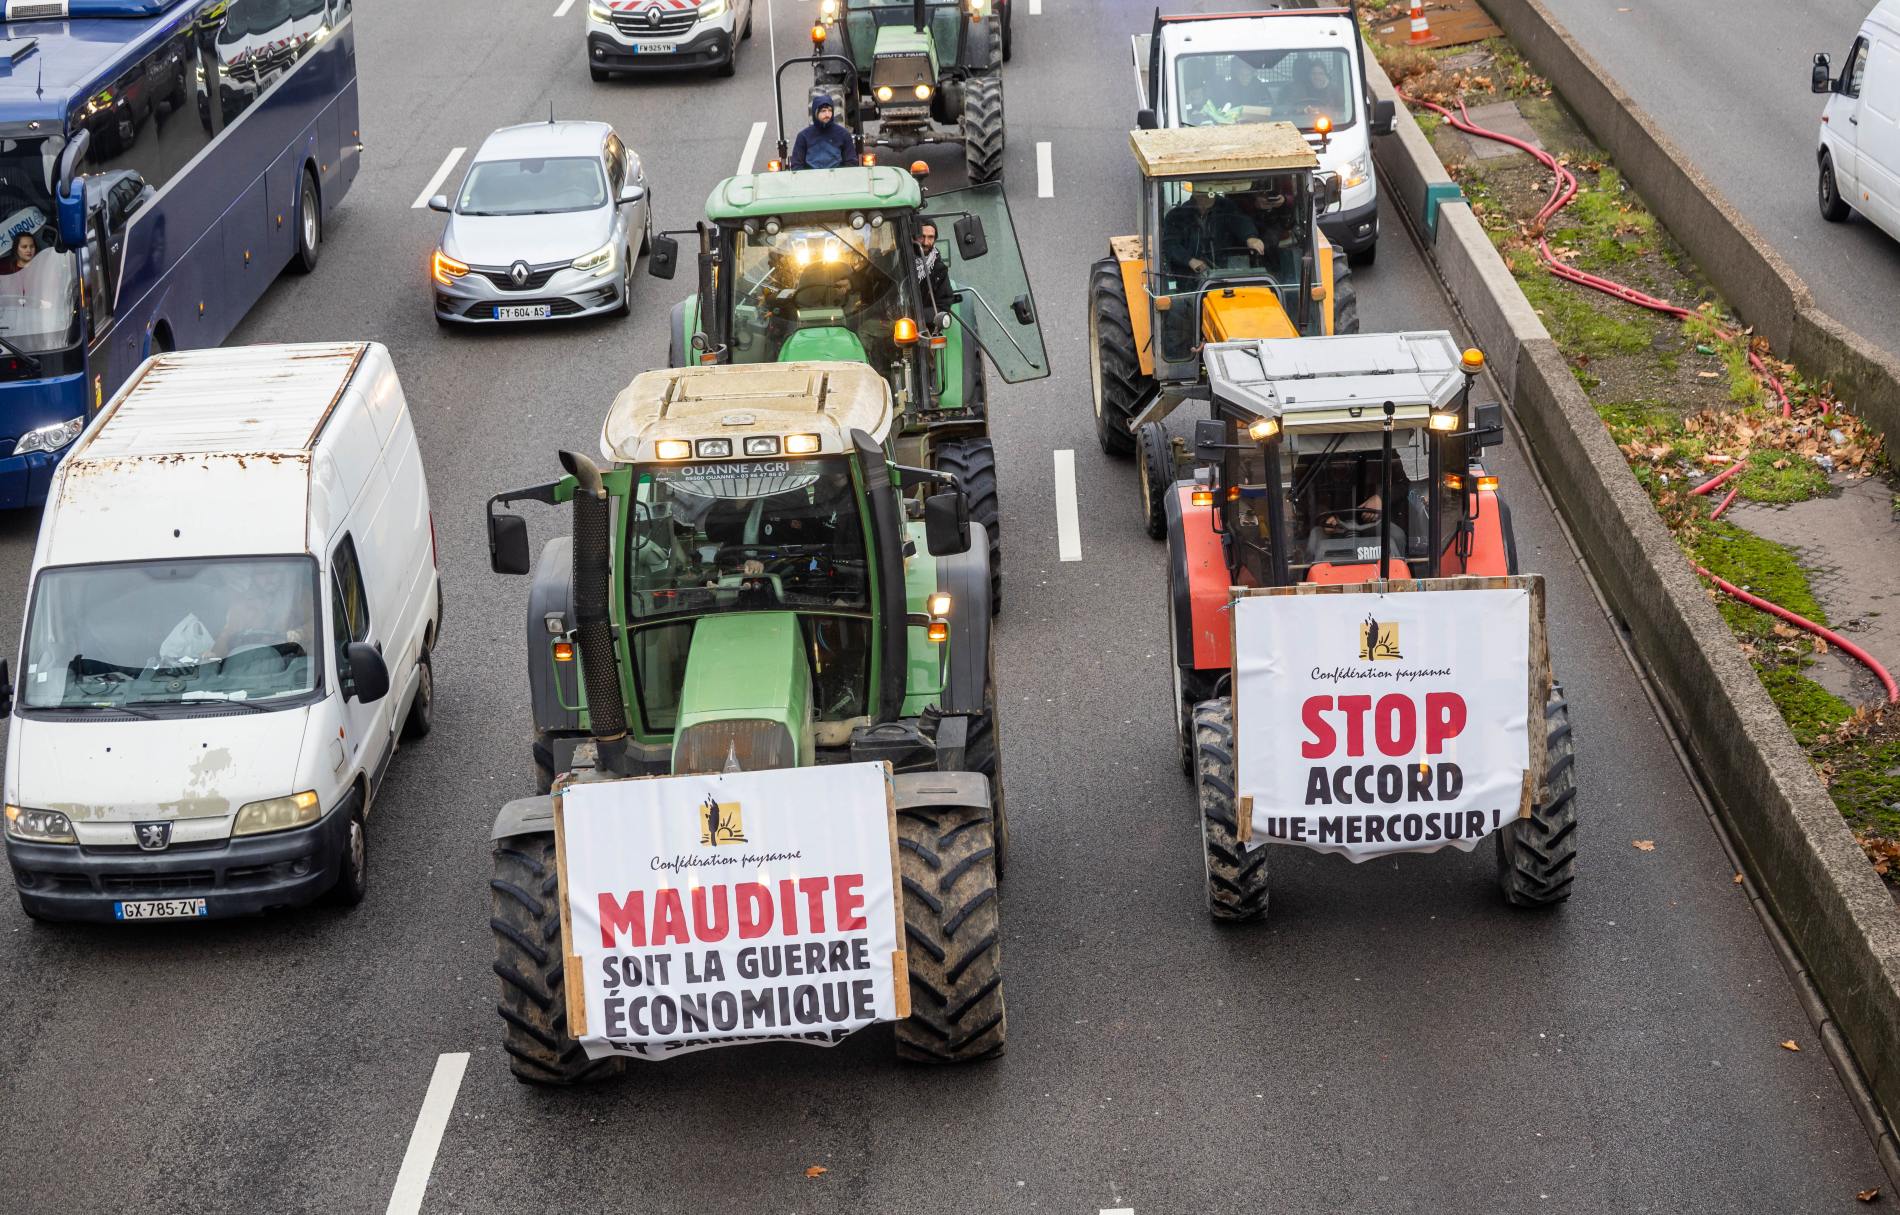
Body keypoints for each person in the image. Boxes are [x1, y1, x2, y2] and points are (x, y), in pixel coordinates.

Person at [1161, 190, 1265, 278]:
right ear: (1194, 191)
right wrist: (1189, 260)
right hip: (1189, 280)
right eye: (1200, 193)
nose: (1205, 197)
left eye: (1209, 193)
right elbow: (1170, 244)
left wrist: (1250, 237)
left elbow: (1240, 221)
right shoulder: (1177, 216)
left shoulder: (1227, 208)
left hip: (1226, 274)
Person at [788, 94, 859, 171]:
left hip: (837, 177)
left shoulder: (843, 134)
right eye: (823, 111)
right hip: (811, 177)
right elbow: (796, 166)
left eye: (830, 110)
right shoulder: (803, 136)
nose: (827, 114)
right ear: (816, 113)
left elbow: (851, 164)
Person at [914, 220, 952, 321]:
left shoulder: (939, 270)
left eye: (930, 237)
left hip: (922, 326)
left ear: (935, 239)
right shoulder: (897, 260)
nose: (925, 242)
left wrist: (915, 316)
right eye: (921, 236)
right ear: (913, 237)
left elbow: (943, 307)